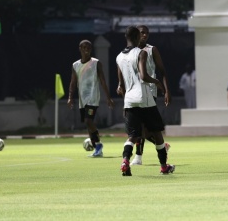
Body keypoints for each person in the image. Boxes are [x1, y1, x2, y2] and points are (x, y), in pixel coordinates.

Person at [116, 26, 175, 176]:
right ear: (136, 37)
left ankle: (125, 162)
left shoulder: (119, 57)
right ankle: (163, 166)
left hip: (129, 100)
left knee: (133, 136)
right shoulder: (141, 53)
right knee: (157, 133)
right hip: (144, 98)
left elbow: (121, 83)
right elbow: (143, 76)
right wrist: (157, 82)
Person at [130, 25, 171, 166]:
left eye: (147, 33)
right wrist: (121, 85)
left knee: (142, 126)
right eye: (142, 32)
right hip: (134, 92)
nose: (145, 35)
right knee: (146, 130)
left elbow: (162, 71)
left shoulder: (151, 49)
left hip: (150, 92)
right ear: (136, 34)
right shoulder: (130, 52)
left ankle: (138, 157)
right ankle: (161, 146)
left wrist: (167, 91)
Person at [67, 39, 114, 158]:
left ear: (91, 49)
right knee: (88, 123)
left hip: (93, 98)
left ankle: (98, 145)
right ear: (80, 49)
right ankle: (96, 147)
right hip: (82, 99)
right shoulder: (75, 65)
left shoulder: (96, 63)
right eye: (84, 47)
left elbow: (103, 81)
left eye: (88, 47)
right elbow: (73, 82)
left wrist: (108, 97)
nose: (86, 49)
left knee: (88, 121)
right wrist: (70, 97)